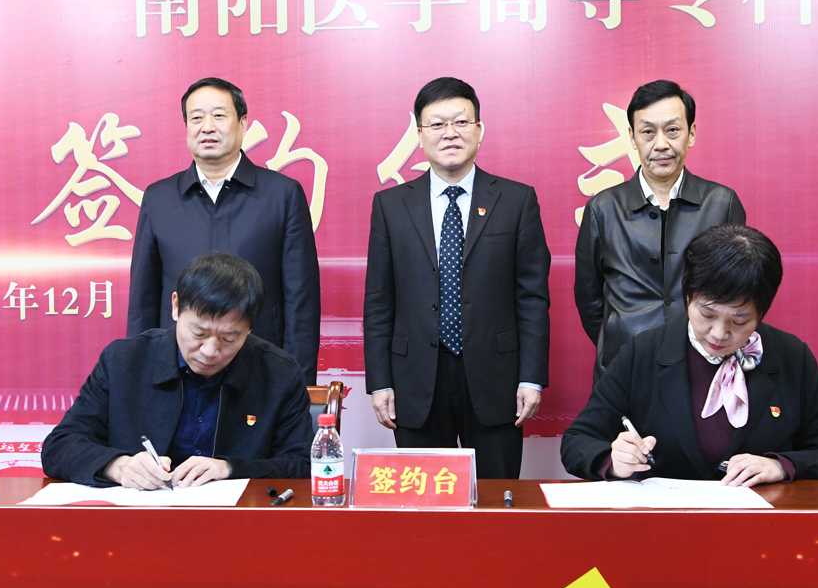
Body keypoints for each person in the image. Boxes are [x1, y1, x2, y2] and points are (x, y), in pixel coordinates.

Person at [561, 224, 818, 485]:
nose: (719, 333)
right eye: (707, 315)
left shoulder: (791, 356)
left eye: (739, 321)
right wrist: (614, 461)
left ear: (761, 312)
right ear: (687, 297)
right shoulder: (644, 353)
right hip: (666, 518)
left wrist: (781, 466)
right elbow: (577, 442)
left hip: (760, 521)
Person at [363, 77, 551, 479]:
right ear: (419, 136)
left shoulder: (516, 201)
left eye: (461, 122)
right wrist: (379, 382)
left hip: (496, 378)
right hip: (415, 379)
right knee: (425, 498)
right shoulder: (391, 206)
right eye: (437, 124)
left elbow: (532, 298)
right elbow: (379, 301)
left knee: (497, 497)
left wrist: (531, 378)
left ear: (479, 130)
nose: (450, 133)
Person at [43, 253, 313, 488]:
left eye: (229, 338)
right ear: (175, 306)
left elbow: (303, 464)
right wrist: (118, 466)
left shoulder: (280, 374)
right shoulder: (124, 362)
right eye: (198, 332)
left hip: (238, 523)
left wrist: (230, 468)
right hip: (140, 521)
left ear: (250, 328)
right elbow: (59, 446)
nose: (209, 350)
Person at [127, 77, 321, 385]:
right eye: (196, 118)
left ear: (242, 124)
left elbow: (302, 300)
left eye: (219, 116)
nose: (207, 127)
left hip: (261, 368)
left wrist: (299, 382)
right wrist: (139, 374)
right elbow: (143, 299)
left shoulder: (282, 195)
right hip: (176, 368)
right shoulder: (158, 198)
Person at [575, 79, 746, 380]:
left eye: (672, 130)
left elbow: (737, 290)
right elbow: (589, 299)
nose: (661, 144)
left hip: (702, 367)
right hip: (624, 368)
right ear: (632, 137)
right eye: (648, 132)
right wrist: (620, 334)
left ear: (691, 133)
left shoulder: (722, 204)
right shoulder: (603, 209)